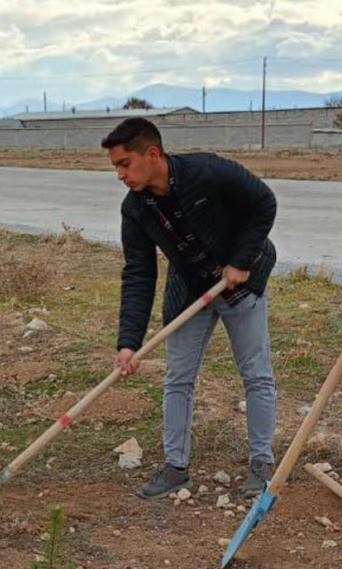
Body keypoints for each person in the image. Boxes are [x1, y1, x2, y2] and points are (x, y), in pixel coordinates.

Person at [102, 117, 279, 502]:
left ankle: (262, 466)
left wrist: (241, 259)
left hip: (242, 282)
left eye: (124, 163)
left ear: (152, 154)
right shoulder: (135, 209)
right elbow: (138, 274)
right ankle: (175, 468)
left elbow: (264, 203)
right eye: (115, 166)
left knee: (256, 375)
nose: (119, 174)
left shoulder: (207, 171)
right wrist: (129, 343)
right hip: (192, 289)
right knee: (177, 378)